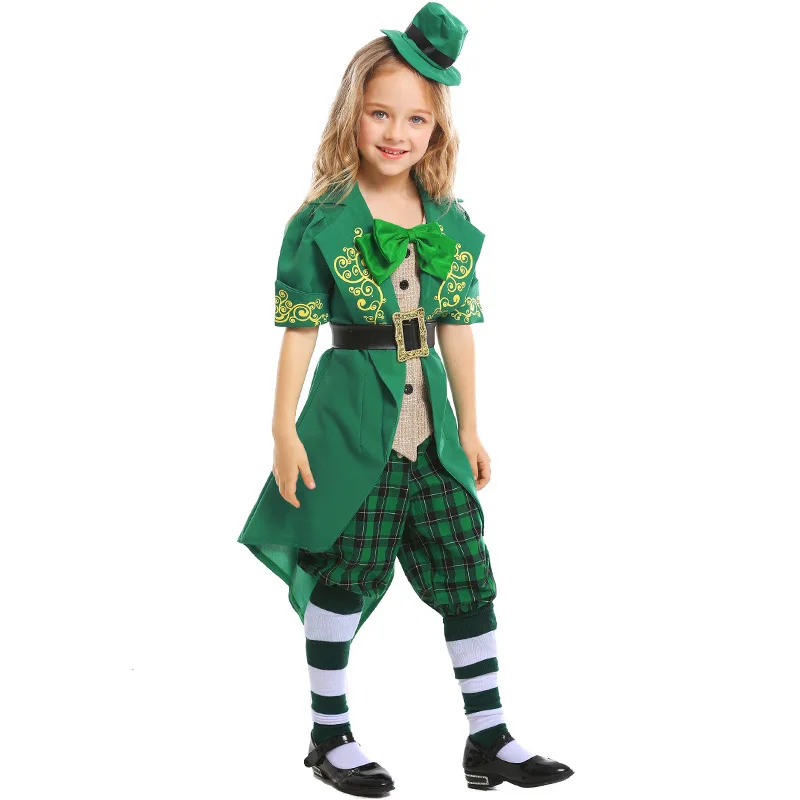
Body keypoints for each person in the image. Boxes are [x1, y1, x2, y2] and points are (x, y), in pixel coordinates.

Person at [237, 3, 574, 794]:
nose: (397, 132)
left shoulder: (447, 220)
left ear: (436, 128)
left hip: (432, 439)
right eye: (380, 113)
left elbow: (457, 327)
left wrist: (472, 427)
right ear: (352, 114)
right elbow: (298, 330)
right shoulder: (321, 222)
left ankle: (489, 738)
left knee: (467, 572)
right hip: (356, 429)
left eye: (416, 118)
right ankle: (329, 736)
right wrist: (282, 430)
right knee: (347, 574)